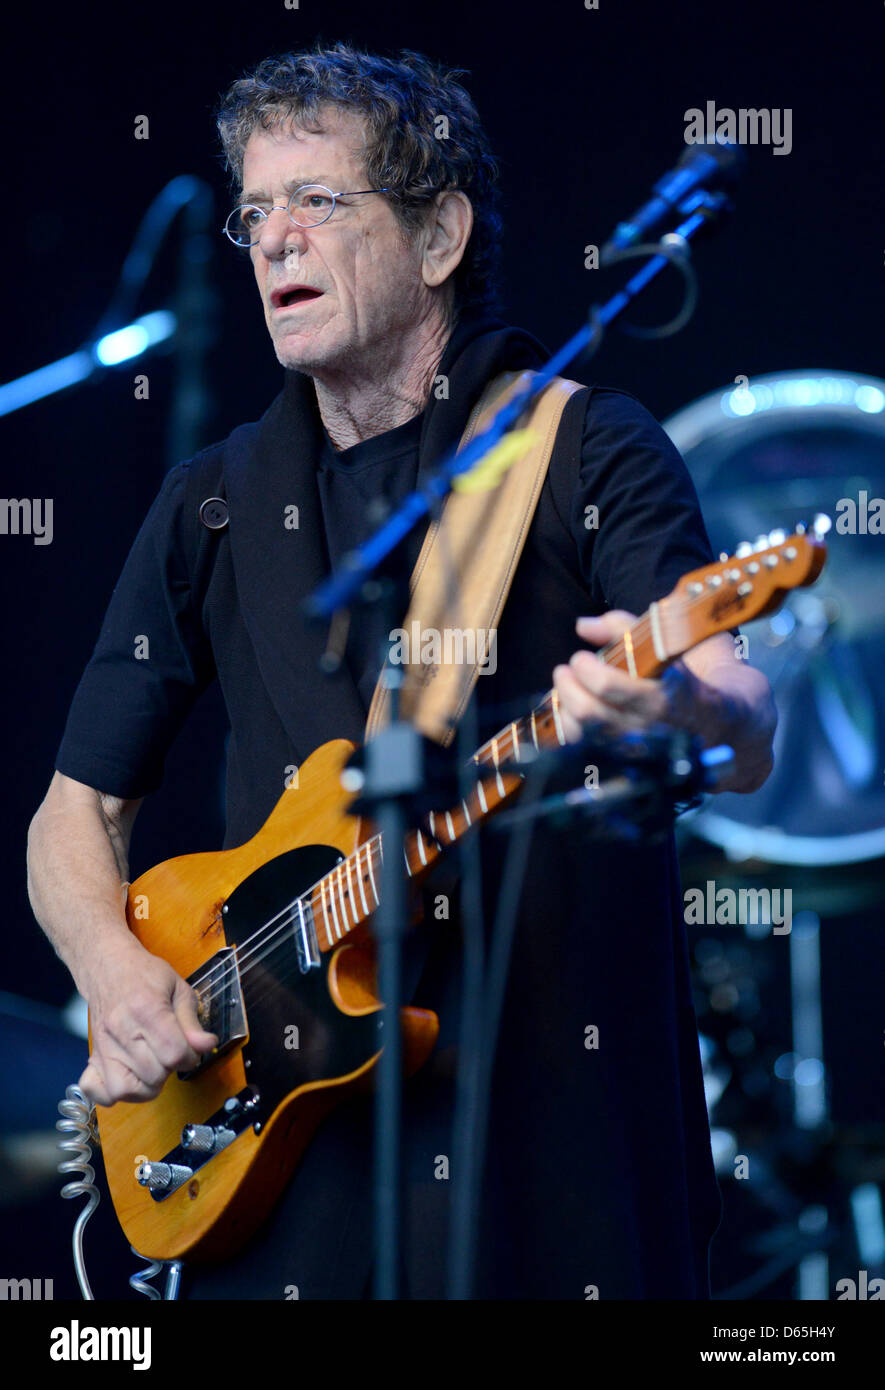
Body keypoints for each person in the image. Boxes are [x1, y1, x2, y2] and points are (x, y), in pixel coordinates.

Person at [27, 42, 775, 1299]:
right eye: (255, 213)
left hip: (543, 1148)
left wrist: (682, 700)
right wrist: (118, 978)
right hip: (276, 1169)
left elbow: (743, 719)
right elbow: (73, 812)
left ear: (438, 238)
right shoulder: (207, 506)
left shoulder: (581, 449)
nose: (273, 242)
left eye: (317, 202)